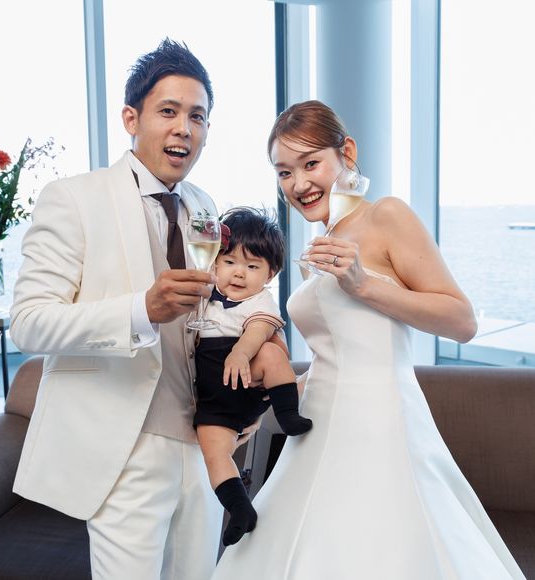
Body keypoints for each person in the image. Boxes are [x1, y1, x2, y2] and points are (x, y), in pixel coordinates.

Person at [212, 100, 527, 579]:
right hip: (317, 431)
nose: (298, 184)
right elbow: (335, 358)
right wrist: (265, 404)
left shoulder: (386, 216)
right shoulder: (323, 245)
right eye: (284, 172)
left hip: (380, 427)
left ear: (348, 153)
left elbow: (462, 321)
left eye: (311, 163)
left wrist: (364, 286)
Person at [9, 38, 255, 580]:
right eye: (168, 111)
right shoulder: (73, 198)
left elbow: (209, 321)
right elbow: (28, 323)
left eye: (197, 116)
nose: (184, 129)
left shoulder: (203, 206)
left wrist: (240, 399)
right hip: (126, 447)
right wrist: (141, 309)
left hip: (202, 445)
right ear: (130, 118)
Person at [193, 206, 312, 547]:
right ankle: (240, 510)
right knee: (215, 454)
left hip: (246, 380)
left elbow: (259, 330)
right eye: (229, 262)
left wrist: (242, 352)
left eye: (252, 266)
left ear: (271, 273)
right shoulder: (205, 298)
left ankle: (287, 415)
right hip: (214, 401)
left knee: (271, 354)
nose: (239, 273)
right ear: (214, 263)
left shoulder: (261, 301)